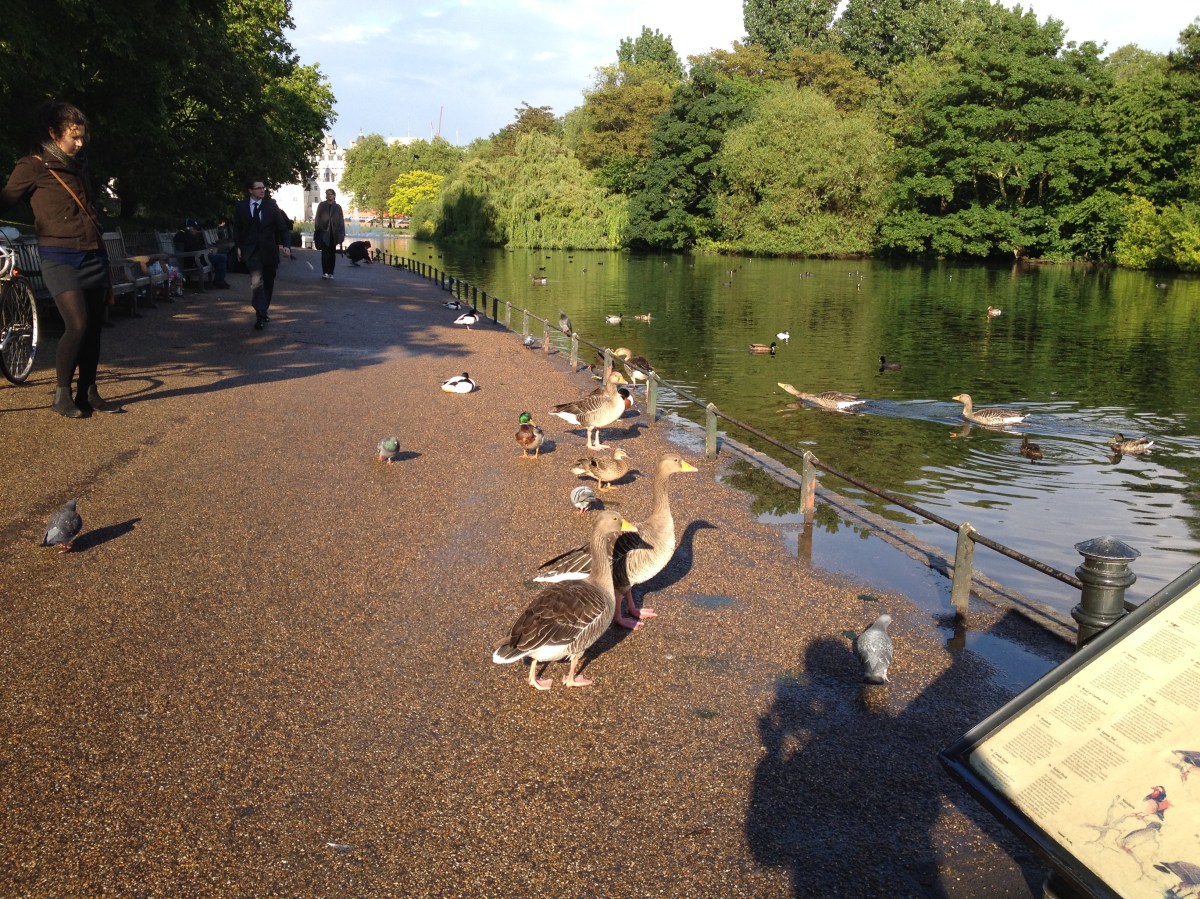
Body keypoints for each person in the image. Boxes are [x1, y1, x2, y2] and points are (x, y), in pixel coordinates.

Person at [0, 101, 120, 418]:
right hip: (59, 256)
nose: (80, 143)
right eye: (73, 137)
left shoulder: (80, 165)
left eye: (82, 137)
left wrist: (104, 259)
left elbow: (89, 209)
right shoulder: (33, 165)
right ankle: (62, 394)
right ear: (54, 133)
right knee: (77, 324)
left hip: (92, 253)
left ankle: (88, 391)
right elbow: (6, 200)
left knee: (94, 328)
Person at [232, 177, 291, 330]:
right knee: (257, 282)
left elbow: (282, 228)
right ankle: (260, 315)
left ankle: (263, 309)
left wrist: (286, 245)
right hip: (251, 252)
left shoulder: (271, 205)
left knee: (269, 283)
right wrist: (238, 247)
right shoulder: (241, 206)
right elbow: (237, 229)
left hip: (269, 251)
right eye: (258, 188)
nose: (262, 190)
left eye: (263, 187)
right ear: (250, 190)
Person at [174, 218, 230, 288]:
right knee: (222, 258)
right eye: (195, 229)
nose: (197, 231)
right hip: (195, 261)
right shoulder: (184, 236)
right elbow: (193, 249)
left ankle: (219, 280)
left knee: (220, 257)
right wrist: (206, 251)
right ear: (189, 228)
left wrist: (206, 251)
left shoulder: (184, 235)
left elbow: (195, 247)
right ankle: (219, 281)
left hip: (196, 258)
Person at [312, 188, 345, 280]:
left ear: (334, 196)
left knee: (332, 254)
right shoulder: (322, 205)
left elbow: (341, 221)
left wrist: (341, 233)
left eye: (331, 194)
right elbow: (317, 218)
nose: (329, 196)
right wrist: (318, 229)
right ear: (326, 195)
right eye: (328, 194)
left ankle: (331, 272)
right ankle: (325, 272)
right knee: (324, 253)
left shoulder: (338, 207)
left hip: (334, 233)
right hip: (324, 233)